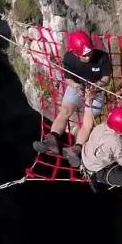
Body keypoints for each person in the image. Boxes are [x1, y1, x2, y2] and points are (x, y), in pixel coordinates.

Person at [33, 30, 112, 167]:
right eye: (84, 55)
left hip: (96, 90)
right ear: (75, 53)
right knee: (65, 111)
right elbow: (68, 79)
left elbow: (105, 78)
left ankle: (77, 148)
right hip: (76, 86)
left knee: (87, 120)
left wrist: (95, 86)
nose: (88, 56)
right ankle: (53, 139)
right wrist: (76, 86)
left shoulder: (102, 57)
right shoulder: (69, 58)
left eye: (89, 53)